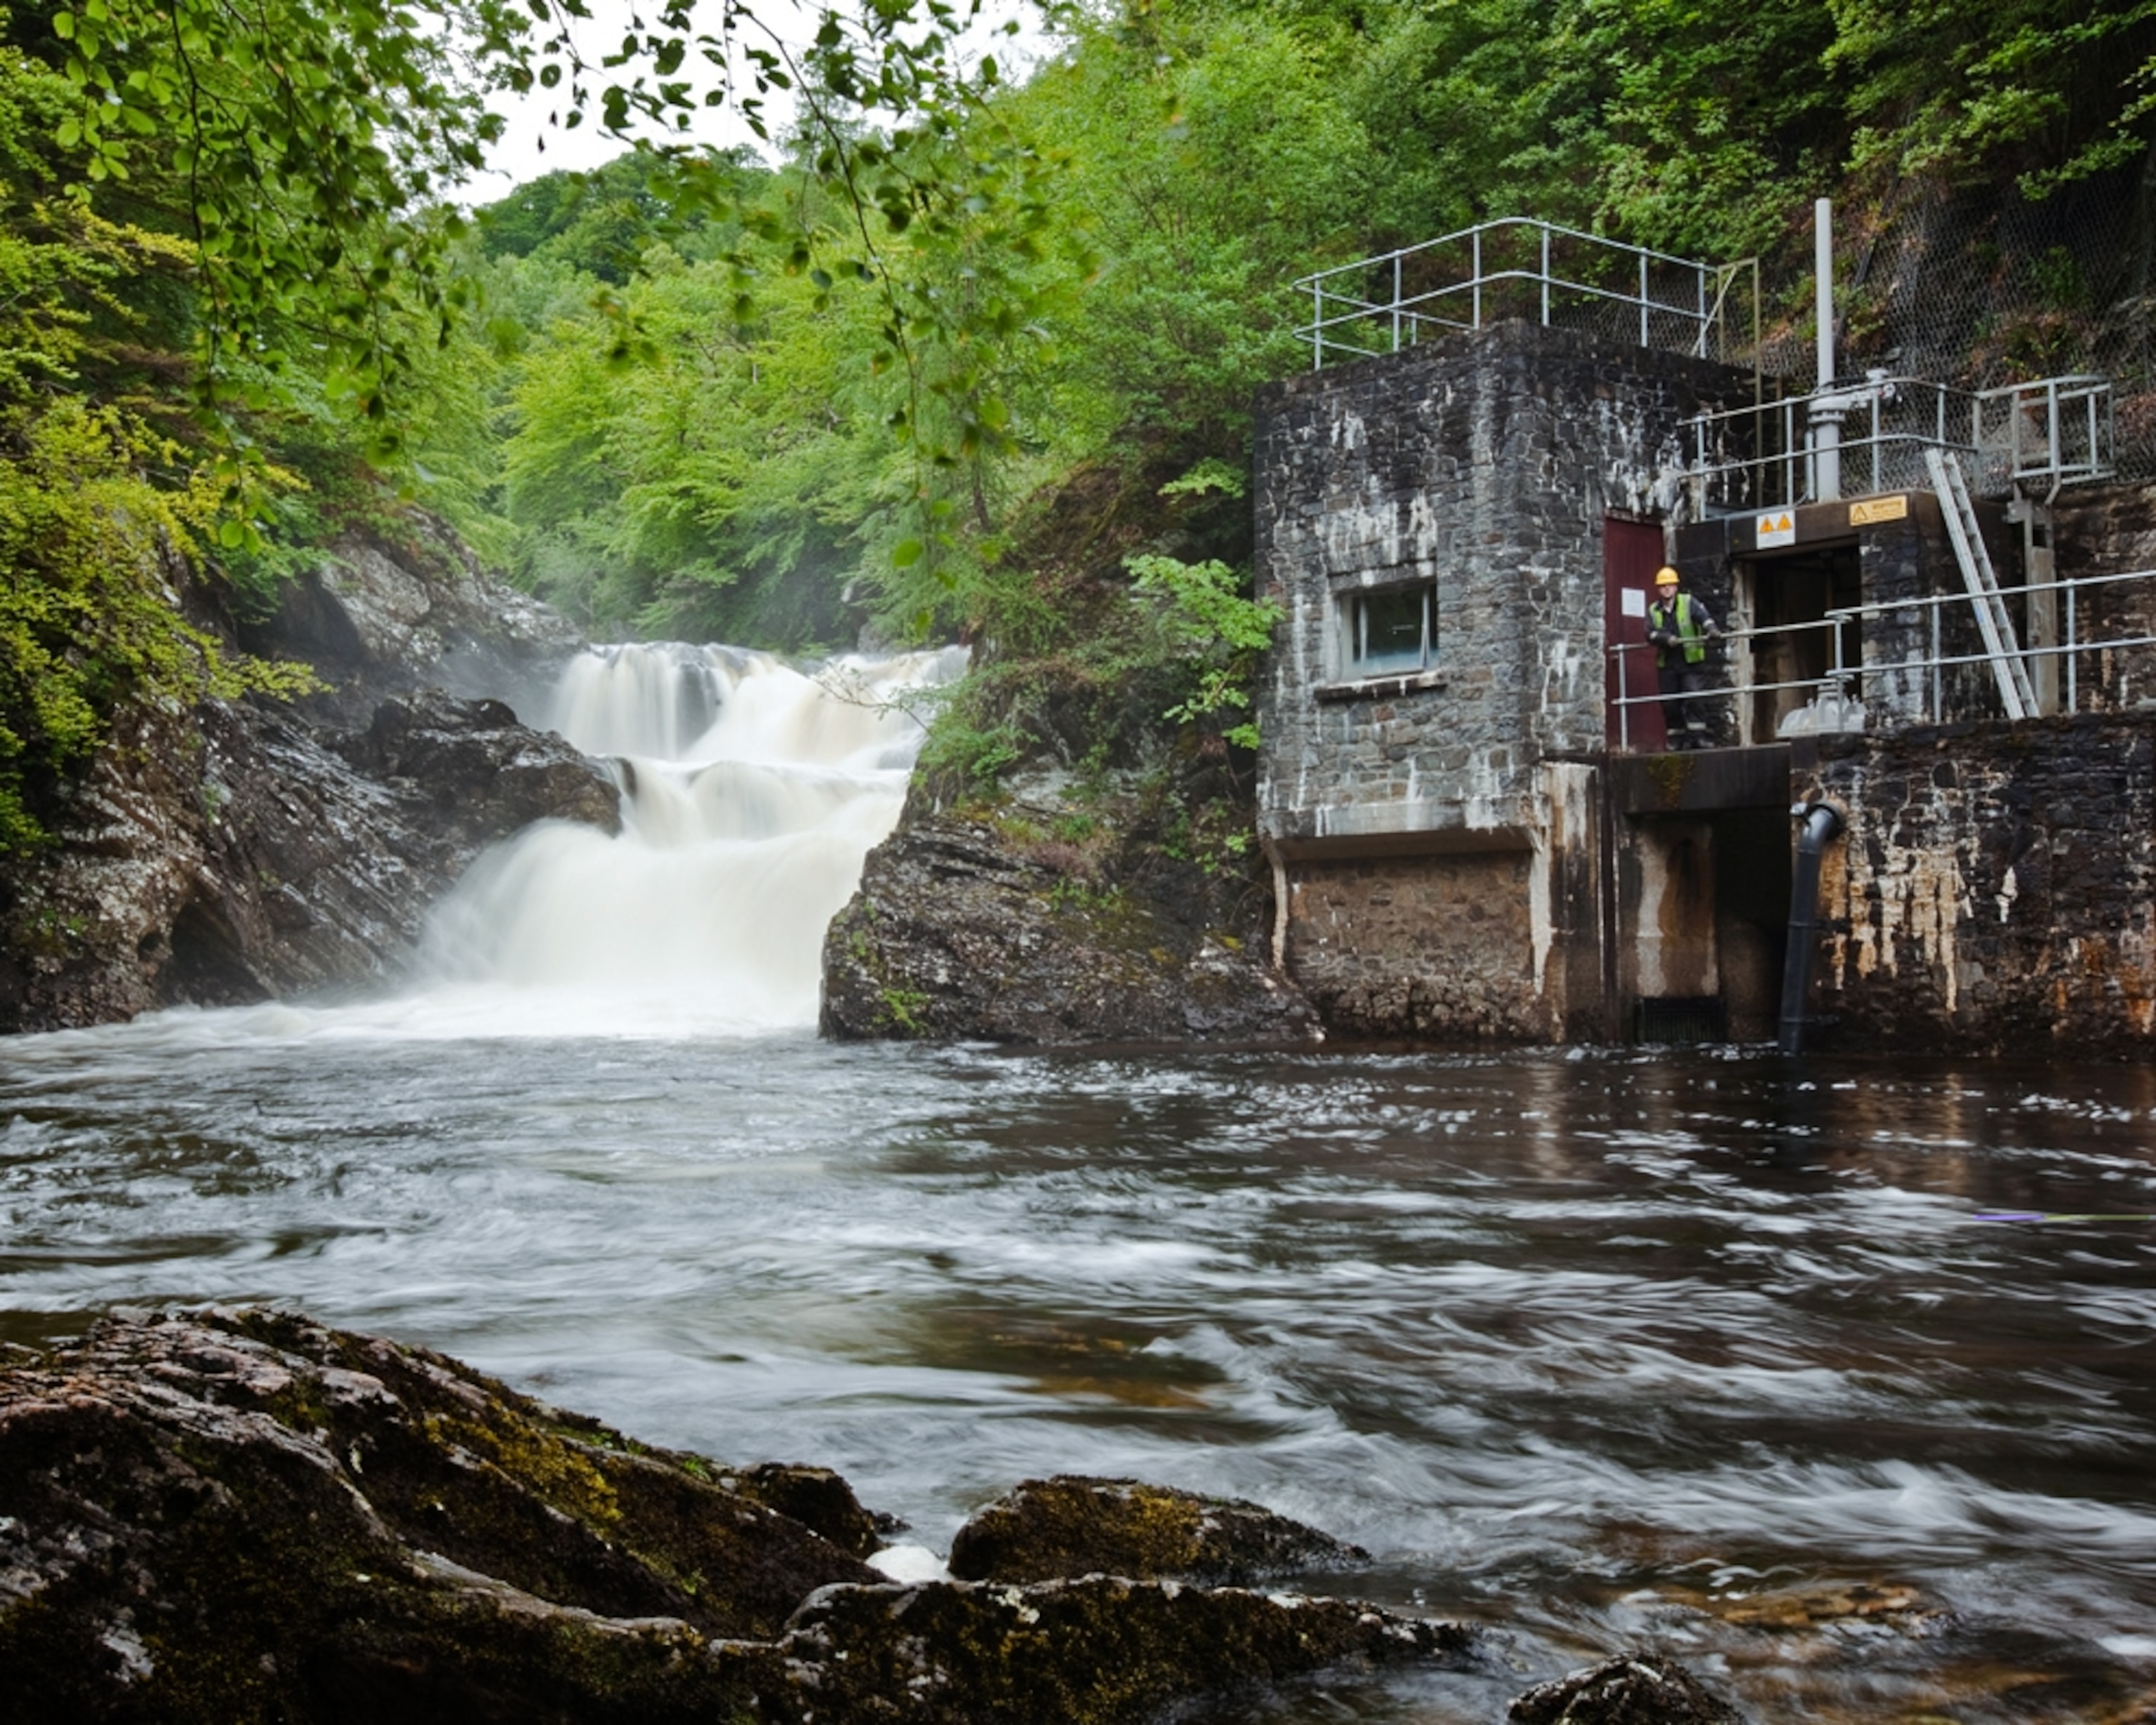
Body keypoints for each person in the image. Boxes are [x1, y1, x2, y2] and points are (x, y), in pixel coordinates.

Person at [1645, 566, 1723, 750]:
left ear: (1676, 587)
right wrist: (1666, 638)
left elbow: (1704, 617)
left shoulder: (1688, 602)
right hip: (1668, 662)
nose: (1667, 589)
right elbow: (1648, 633)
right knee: (1670, 703)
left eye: (1670, 585)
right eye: (1663, 586)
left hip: (1690, 660)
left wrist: (1711, 629)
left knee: (1694, 696)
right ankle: (1676, 737)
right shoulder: (1654, 610)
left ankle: (1698, 737)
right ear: (1658, 589)